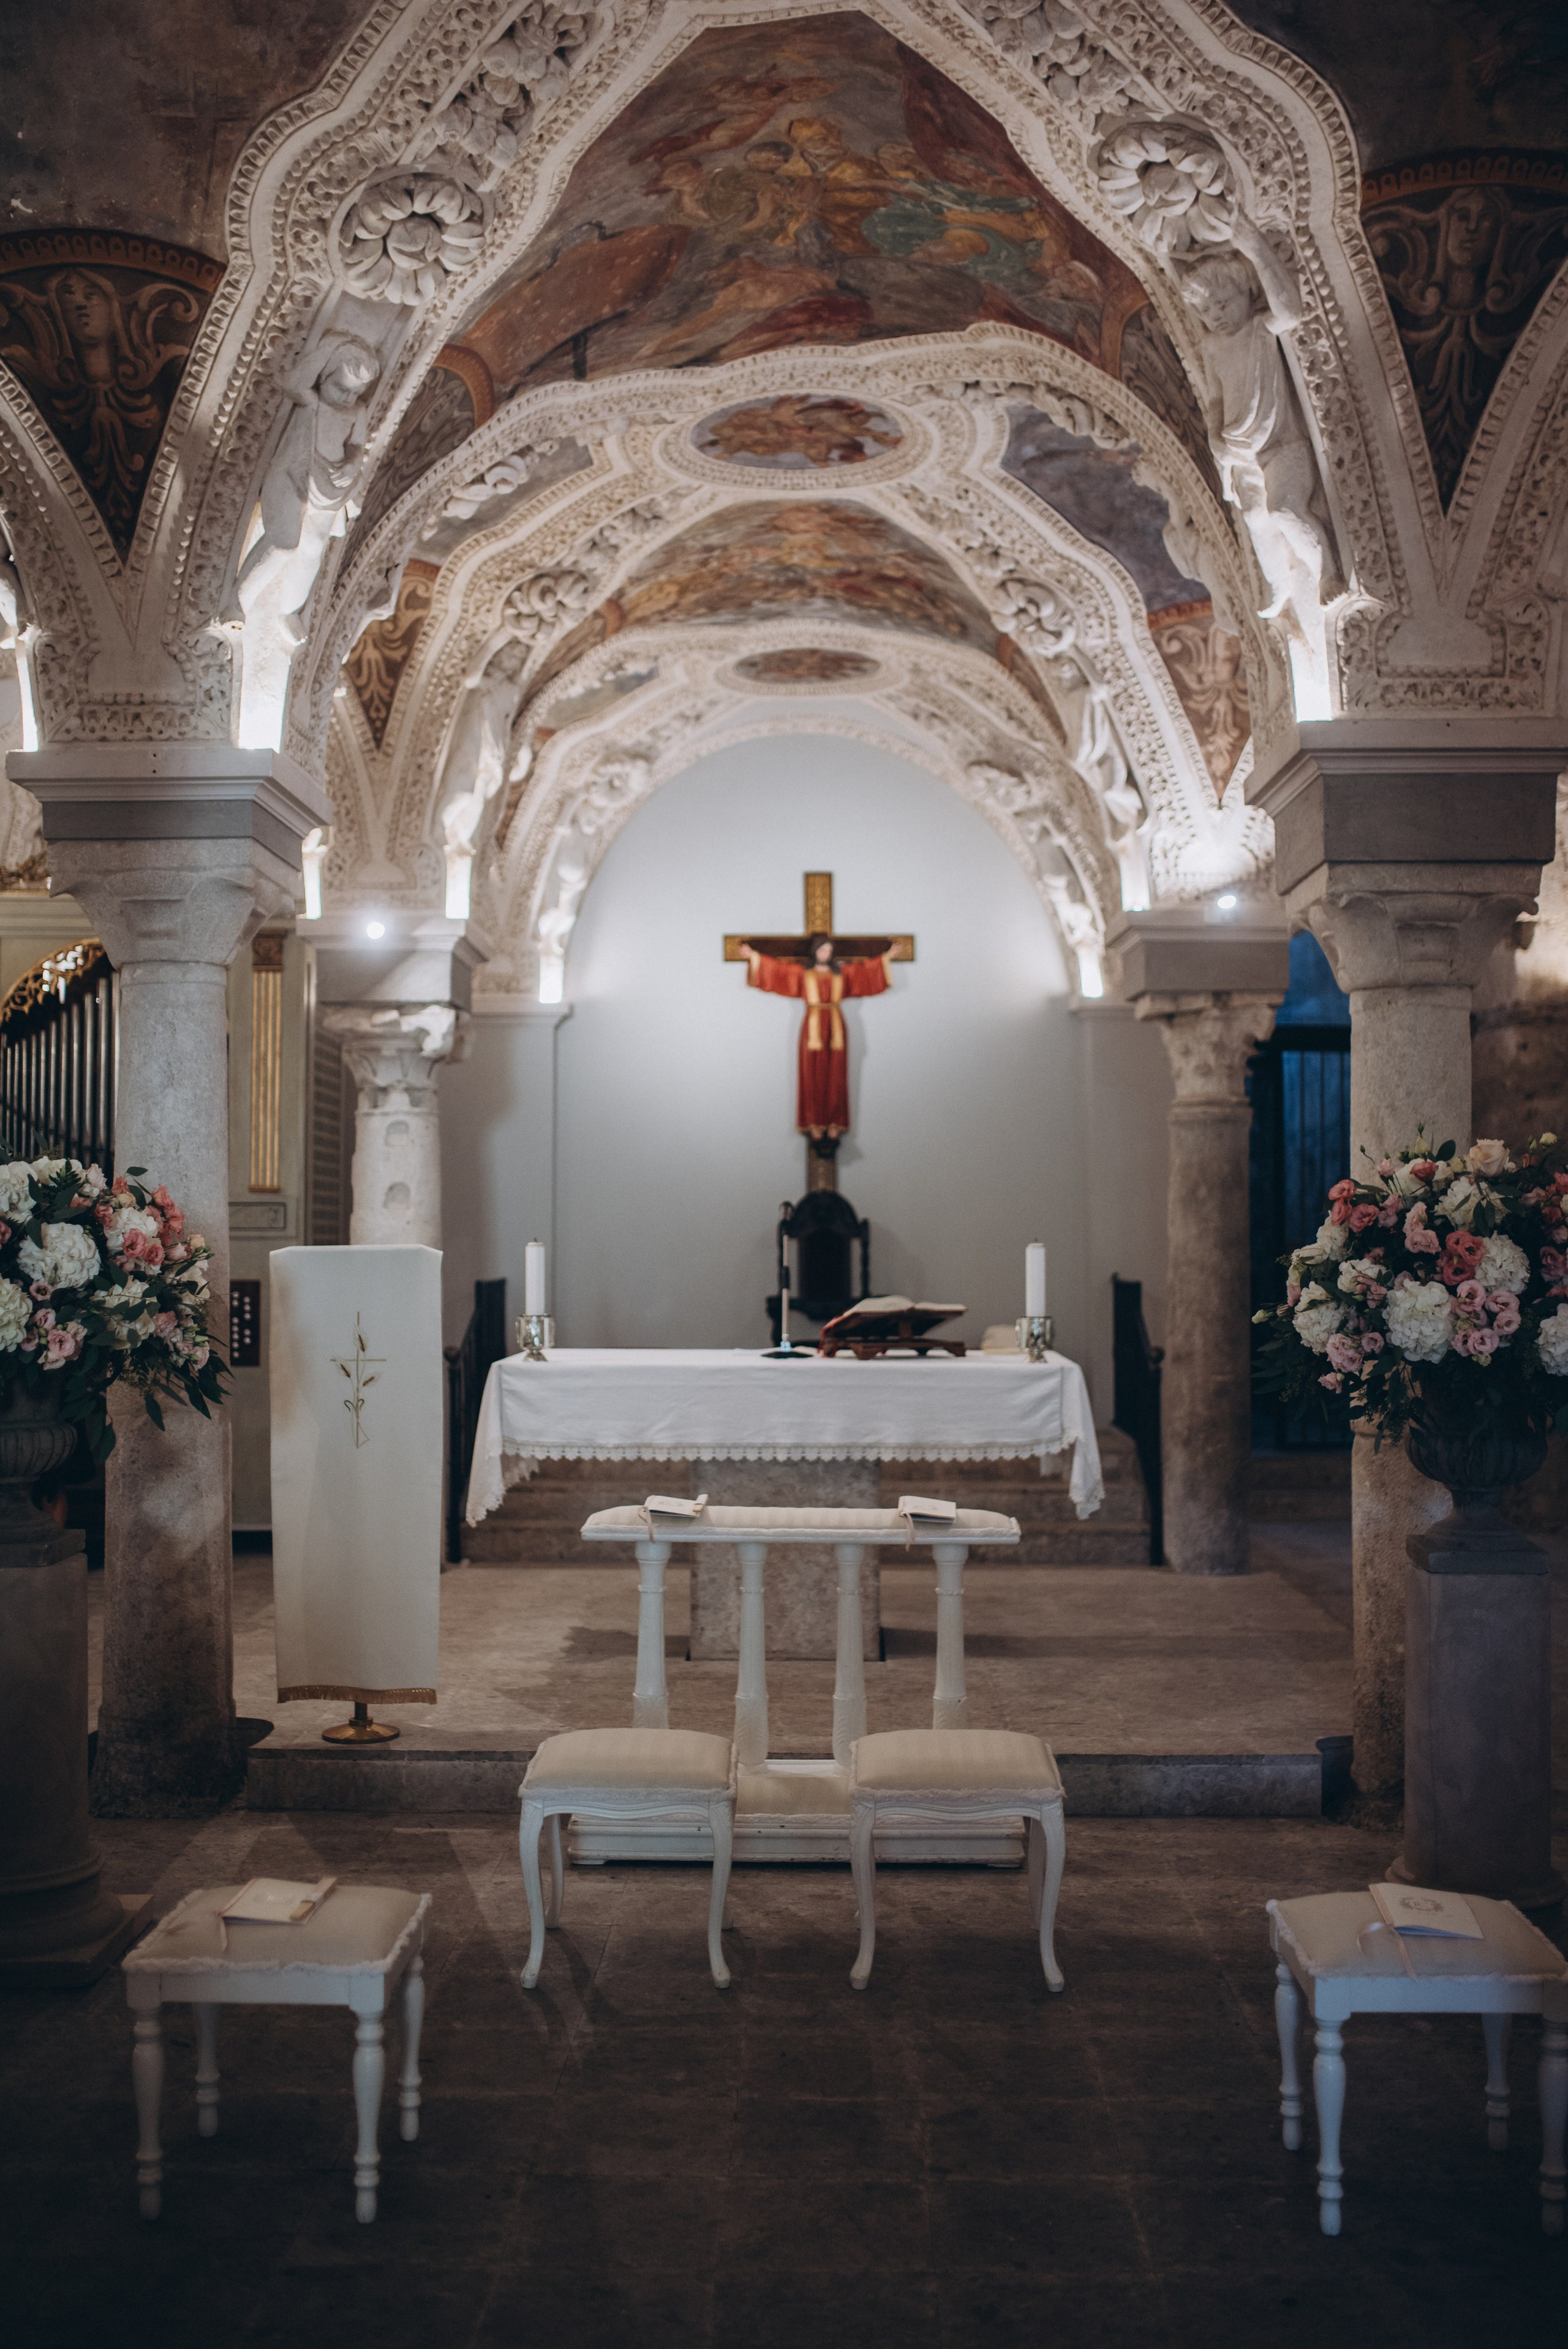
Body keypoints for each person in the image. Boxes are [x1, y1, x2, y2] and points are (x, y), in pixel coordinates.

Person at [741, 932, 898, 1138]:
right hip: (812, 1024)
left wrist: (888, 957)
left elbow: (864, 972)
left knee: (837, 1072)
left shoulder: (841, 973)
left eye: (830, 950)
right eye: (823, 949)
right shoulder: (803, 973)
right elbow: (779, 971)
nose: (826, 953)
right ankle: (813, 1121)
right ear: (815, 951)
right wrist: (754, 956)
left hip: (836, 1025)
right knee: (811, 1071)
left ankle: (835, 1121)